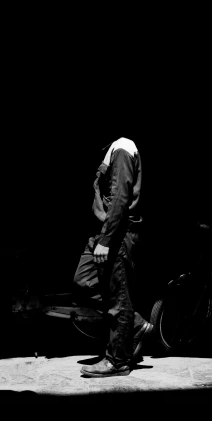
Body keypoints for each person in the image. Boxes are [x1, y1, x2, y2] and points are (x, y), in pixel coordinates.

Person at [73, 136, 154, 377]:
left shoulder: (122, 149)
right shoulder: (113, 151)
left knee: (119, 297)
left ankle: (118, 361)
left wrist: (107, 240)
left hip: (117, 233)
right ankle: (136, 324)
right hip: (106, 229)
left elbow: (120, 196)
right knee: (83, 278)